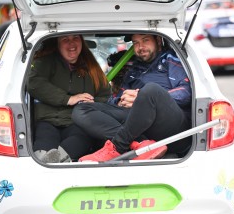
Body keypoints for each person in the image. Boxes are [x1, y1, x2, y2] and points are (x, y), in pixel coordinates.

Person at [72, 34, 192, 162]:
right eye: (136, 43)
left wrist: (142, 98)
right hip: (139, 125)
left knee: (151, 90)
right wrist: (121, 101)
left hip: (170, 126)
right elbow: (116, 99)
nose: (140, 47)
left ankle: (117, 146)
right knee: (81, 109)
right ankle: (141, 144)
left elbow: (186, 92)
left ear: (157, 40)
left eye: (145, 40)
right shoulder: (134, 69)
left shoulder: (170, 58)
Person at [27, 35, 111, 163]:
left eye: (75, 38)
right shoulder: (45, 62)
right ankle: (44, 160)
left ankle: (58, 160)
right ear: (57, 44)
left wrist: (93, 104)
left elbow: (105, 96)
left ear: (82, 42)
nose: (71, 44)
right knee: (45, 137)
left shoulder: (92, 67)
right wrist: (68, 99)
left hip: (77, 122)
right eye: (65, 39)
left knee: (83, 137)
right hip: (47, 120)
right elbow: (33, 83)